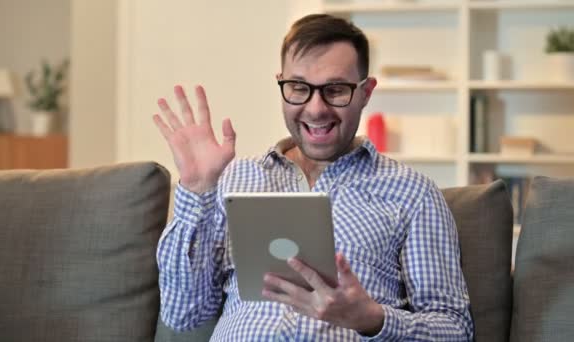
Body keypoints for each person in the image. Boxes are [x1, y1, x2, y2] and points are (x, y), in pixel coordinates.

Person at [154, 14, 473, 341]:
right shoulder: (234, 178)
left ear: (366, 92)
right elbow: (184, 314)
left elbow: (455, 329)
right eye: (299, 88)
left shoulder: (413, 192)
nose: (316, 108)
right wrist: (197, 193)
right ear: (282, 85)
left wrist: (372, 319)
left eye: (335, 90)